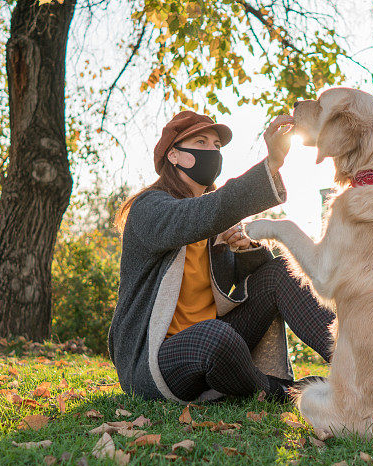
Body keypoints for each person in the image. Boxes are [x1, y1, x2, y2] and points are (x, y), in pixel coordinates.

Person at [108, 110, 334, 404]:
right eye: (201, 142)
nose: (212, 151)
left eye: (216, 145)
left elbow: (261, 285)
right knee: (212, 335)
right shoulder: (150, 208)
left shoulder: (211, 219)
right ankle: (281, 392)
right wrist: (272, 164)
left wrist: (245, 248)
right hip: (157, 361)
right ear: (174, 156)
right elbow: (199, 215)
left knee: (282, 271)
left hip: (215, 342)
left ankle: (362, 368)